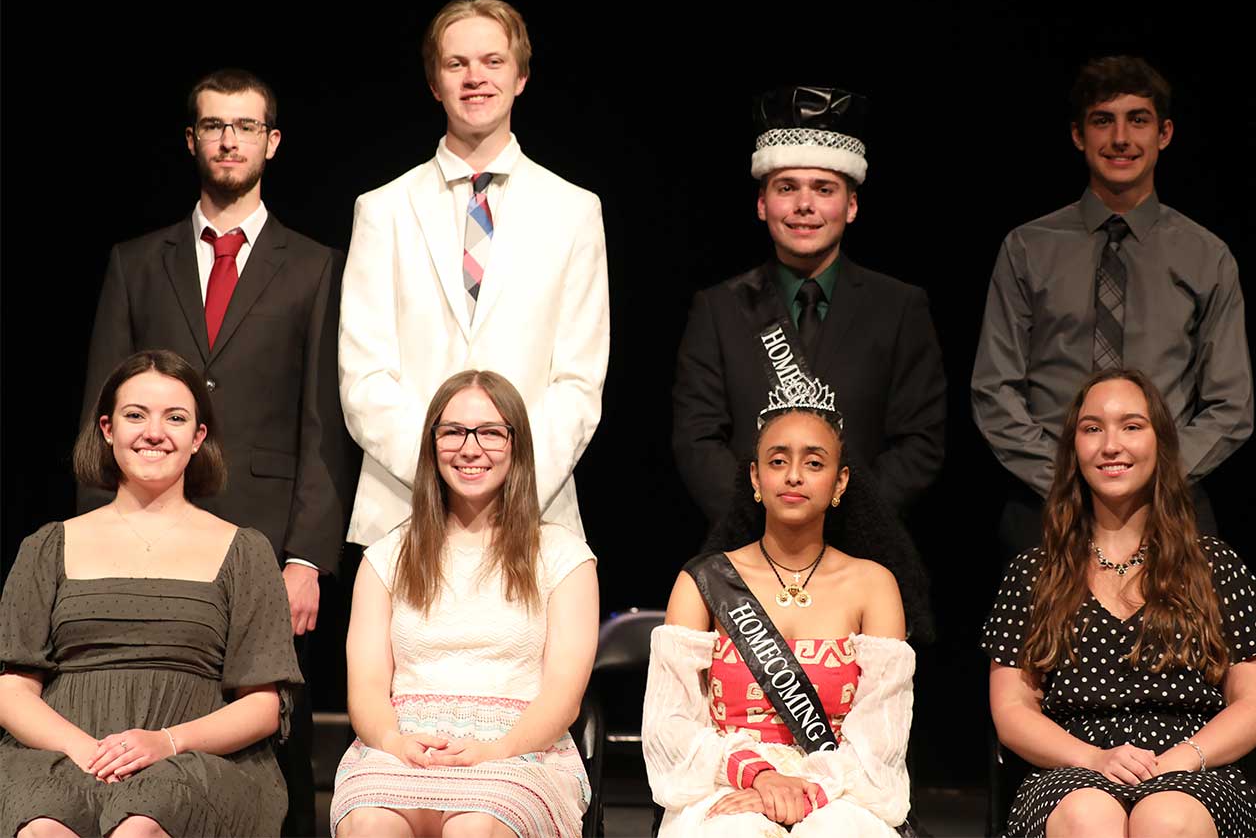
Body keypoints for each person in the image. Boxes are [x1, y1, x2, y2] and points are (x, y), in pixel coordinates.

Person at [80, 68, 351, 833]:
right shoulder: (137, 262)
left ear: (272, 141)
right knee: (153, 711)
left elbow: (323, 421)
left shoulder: (316, 265)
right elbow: (102, 409)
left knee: (272, 731)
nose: (227, 140)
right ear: (191, 139)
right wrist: (93, 541)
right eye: (212, 125)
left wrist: (306, 557)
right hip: (147, 530)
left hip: (265, 538)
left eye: (244, 126)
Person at [339, 0, 608, 556]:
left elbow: (578, 382)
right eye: (456, 64)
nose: (475, 78)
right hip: (404, 511)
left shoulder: (573, 209)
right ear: (434, 83)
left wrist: (513, 481)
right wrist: (442, 472)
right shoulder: (383, 209)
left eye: (492, 61)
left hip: (533, 512)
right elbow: (364, 377)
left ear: (521, 76)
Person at [0, 350, 303, 837]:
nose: (154, 432)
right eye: (135, 415)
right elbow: (12, 689)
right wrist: (86, 751)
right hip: (62, 752)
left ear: (198, 438)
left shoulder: (243, 550)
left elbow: (263, 705)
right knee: (43, 825)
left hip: (194, 759)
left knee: (142, 823)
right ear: (107, 429)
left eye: (175, 418)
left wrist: (165, 742)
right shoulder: (47, 546)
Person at [983, 369, 1256, 837]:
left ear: (1160, 444)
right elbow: (1013, 710)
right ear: (1073, 450)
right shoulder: (1034, 572)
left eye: (1131, 426)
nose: (1111, 445)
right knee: (1089, 815)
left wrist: (1178, 762)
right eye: (1092, 428)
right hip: (1072, 768)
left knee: (1166, 818)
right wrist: (1095, 760)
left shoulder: (1213, 566)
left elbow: (1255, 703)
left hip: (1194, 768)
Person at [972, 56, 1254, 556]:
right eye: (1103, 120)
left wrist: (1153, 474)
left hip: (1171, 504)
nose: (1120, 138)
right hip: (1047, 503)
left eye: (1137, 120)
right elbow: (995, 389)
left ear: (1164, 133)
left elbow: (1230, 405)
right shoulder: (1027, 248)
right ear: (1079, 136)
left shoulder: (1206, 255)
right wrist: (1068, 477)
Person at [644, 366, 923, 836]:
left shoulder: (873, 585)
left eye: (814, 463)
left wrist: (808, 790)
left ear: (839, 482)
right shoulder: (703, 581)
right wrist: (759, 776)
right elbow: (668, 726)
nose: (794, 475)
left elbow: (882, 738)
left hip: (840, 792)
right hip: (723, 784)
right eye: (777, 461)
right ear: (755, 477)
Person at [672, 85, 945, 553]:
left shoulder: (899, 307)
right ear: (762, 204)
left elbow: (920, 441)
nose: (804, 205)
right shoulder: (718, 308)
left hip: (864, 554)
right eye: (786, 188)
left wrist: (844, 519)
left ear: (851, 205)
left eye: (824, 189)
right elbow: (697, 440)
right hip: (745, 551)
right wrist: (762, 521)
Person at [331, 370, 599, 838]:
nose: (470, 447)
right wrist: (395, 742)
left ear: (517, 446)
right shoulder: (386, 557)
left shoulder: (563, 556)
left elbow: (563, 693)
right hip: (404, 747)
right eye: (453, 431)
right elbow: (368, 688)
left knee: (476, 827)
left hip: (518, 751)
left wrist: (497, 749)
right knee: (371, 823)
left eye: (490, 432)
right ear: (432, 445)